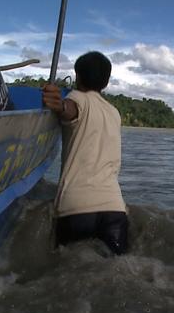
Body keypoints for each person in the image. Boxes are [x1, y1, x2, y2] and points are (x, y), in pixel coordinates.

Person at [42, 51, 128, 255]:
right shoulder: (114, 112)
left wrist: (58, 104)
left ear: (78, 76)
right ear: (106, 83)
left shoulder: (77, 98)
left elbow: (69, 109)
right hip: (115, 209)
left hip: (76, 208)